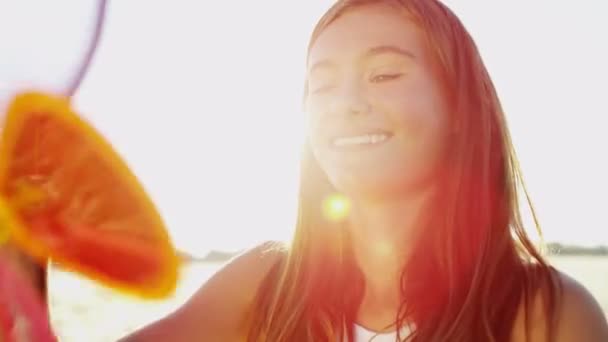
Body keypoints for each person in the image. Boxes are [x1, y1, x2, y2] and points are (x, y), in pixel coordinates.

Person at [120, 0, 608, 341]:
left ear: (460, 108)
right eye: (323, 83)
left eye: (384, 74)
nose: (346, 104)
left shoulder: (548, 314)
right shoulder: (265, 284)